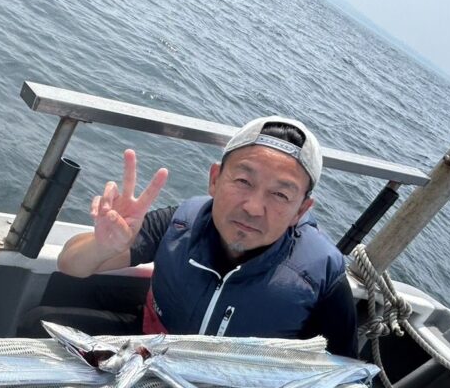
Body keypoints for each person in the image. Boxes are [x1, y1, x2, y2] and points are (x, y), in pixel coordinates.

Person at [55, 116, 358, 358]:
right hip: (147, 355)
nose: (253, 207)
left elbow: (343, 374)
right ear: (215, 179)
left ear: (300, 210)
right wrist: (103, 246)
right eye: (243, 180)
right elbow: (70, 264)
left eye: (280, 194)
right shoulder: (179, 225)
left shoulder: (320, 280)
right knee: (41, 321)